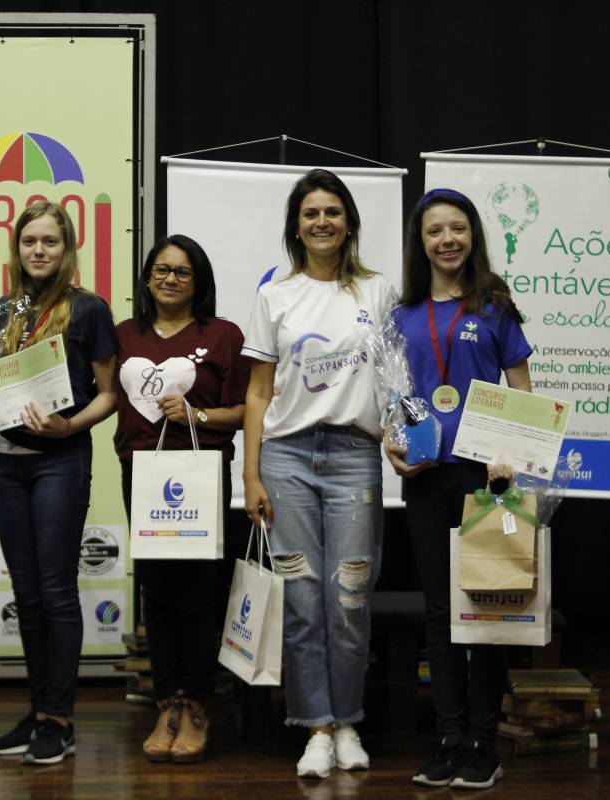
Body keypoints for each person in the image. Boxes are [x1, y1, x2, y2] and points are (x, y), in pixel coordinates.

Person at [242, 169, 396, 779]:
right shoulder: (274, 296)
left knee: (349, 598)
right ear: (296, 226)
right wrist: (250, 475)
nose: (322, 222)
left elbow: (396, 380)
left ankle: (348, 720)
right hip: (286, 458)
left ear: (349, 222)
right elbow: (258, 393)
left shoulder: (378, 292)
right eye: (311, 213)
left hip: (354, 455)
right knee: (303, 601)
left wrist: (404, 436)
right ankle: (317, 728)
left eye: (332, 211)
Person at [386, 188, 532, 791]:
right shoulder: (402, 315)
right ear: (420, 243)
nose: (447, 239)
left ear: (472, 236)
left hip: (485, 479)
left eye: (458, 229)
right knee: (440, 612)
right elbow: (395, 395)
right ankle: (448, 740)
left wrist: (513, 455)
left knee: (487, 608)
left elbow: (522, 390)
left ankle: (483, 744)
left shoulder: (494, 306)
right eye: (434, 231)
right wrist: (393, 445)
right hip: (426, 478)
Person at [0, 201, 118, 766]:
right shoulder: (4, 309)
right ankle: (38, 711)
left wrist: (70, 426)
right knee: (27, 594)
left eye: (50, 242)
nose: (38, 251)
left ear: (67, 249)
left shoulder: (89, 309)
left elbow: (110, 395)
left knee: (57, 590)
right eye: (29, 241)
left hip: (60, 460)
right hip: (6, 462)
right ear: (17, 249)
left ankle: (59, 720)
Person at [113, 235, 247, 763]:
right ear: (148, 278)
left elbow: (247, 409)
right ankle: (166, 702)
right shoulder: (125, 334)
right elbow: (106, 394)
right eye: (161, 270)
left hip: (201, 475)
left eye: (182, 271)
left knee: (199, 594)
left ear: (199, 282)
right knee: (157, 593)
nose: (170, 279)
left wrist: (198, 415)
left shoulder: (224, 336)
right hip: (141, 475)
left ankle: (197, 704)